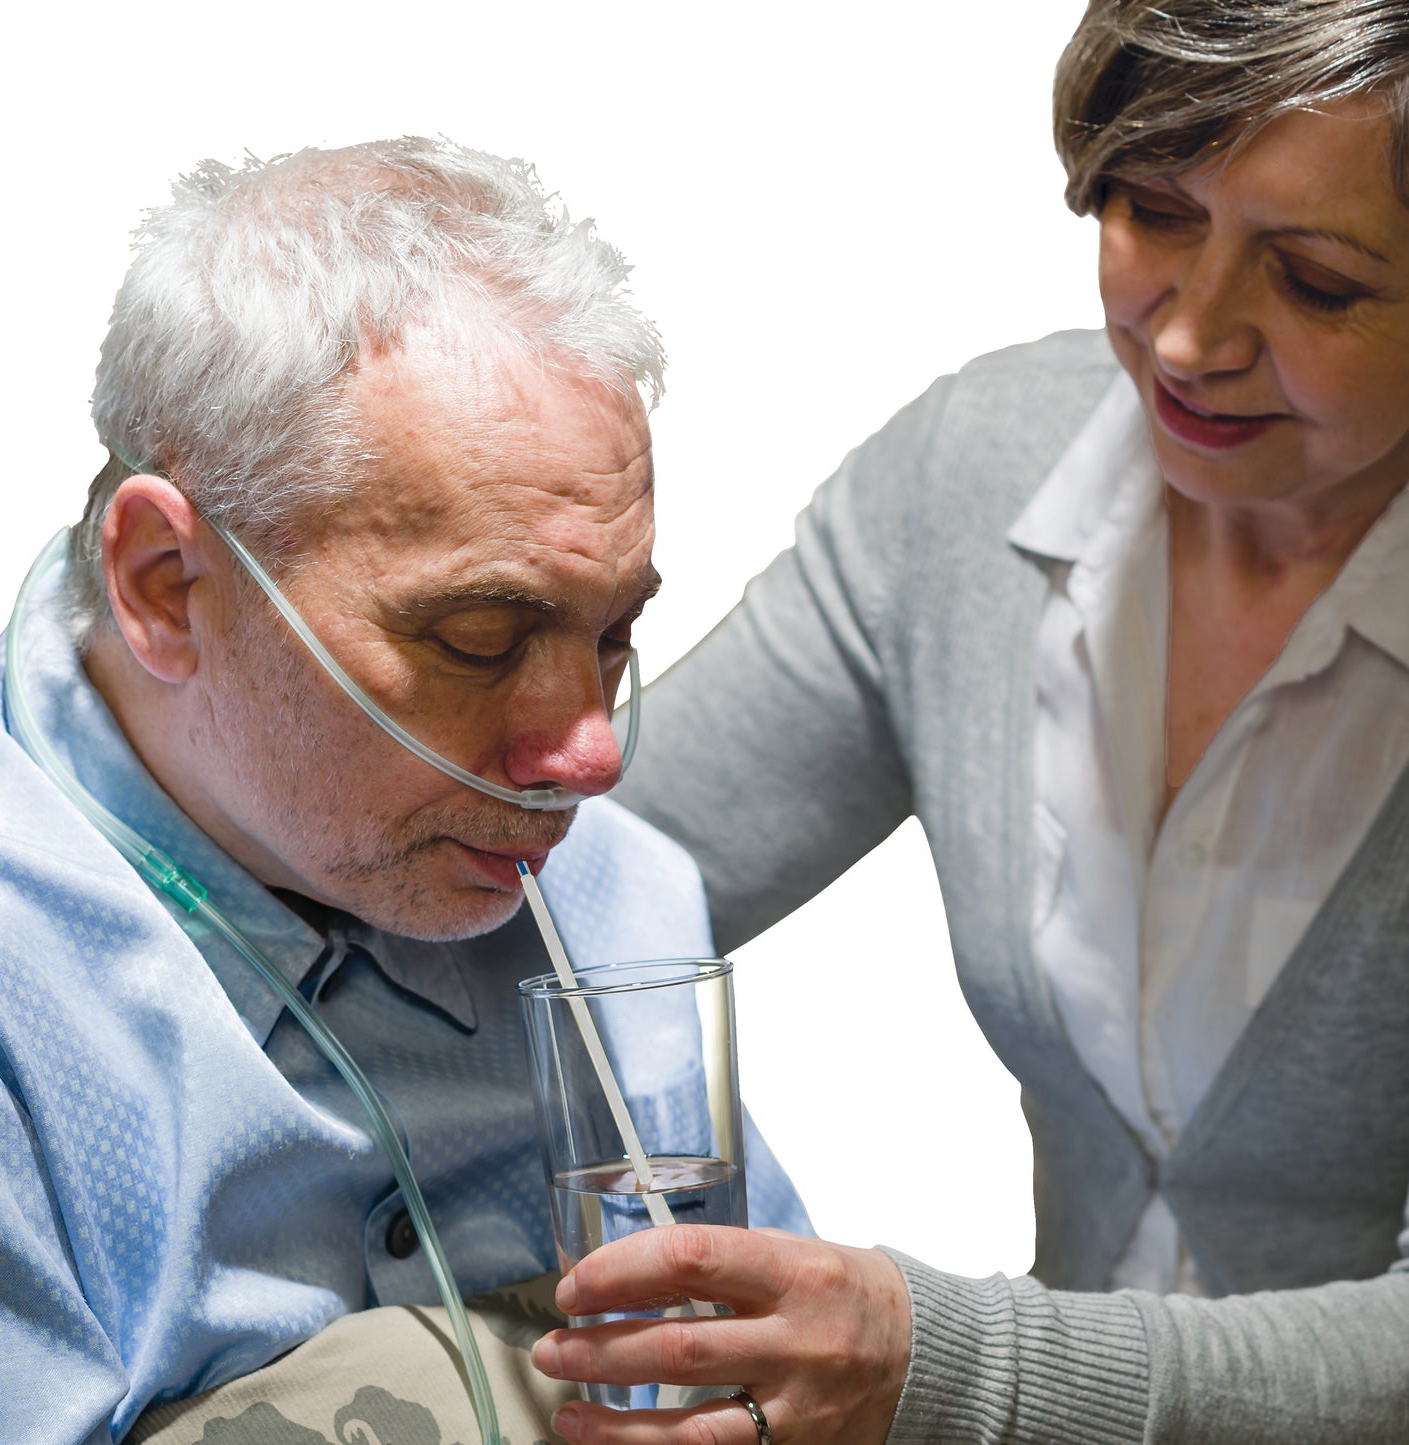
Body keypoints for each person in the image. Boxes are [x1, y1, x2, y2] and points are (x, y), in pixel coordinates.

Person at [530, 1, 1409, 1441]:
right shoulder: (973, 485)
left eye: (1312, 281)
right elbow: (566, 876)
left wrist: (946, 1367)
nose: (1188, 333)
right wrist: (103, 722)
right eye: (1149, 211)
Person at [0, 138, 808, 1444]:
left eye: (612, 638)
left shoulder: (622, 896)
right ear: (163, 584)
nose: (592, 756)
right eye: (479, 636)